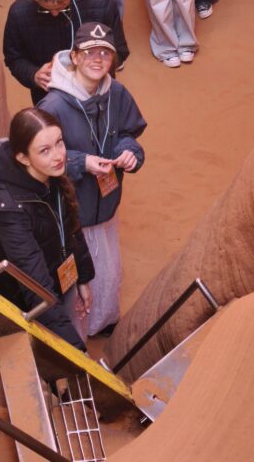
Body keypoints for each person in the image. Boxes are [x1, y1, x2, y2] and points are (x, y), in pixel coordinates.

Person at [40, 22, 145, 337]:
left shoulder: (116, 93)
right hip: (73, 211)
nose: (98, 59)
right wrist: (82, 162)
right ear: (74, 56)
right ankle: (78, 335)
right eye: (89, 52)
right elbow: (39, 156)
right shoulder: (53, 105)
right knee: (78, 275)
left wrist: (129, 152)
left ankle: (104, 320)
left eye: (105, 53)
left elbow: (128, 132)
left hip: (105, 205)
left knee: (107, 269)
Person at [0, 108, 94, 350]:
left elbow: (72, 229)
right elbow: (37, 289)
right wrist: (77, 351)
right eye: (45, 150)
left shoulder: (50, 176)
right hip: (31, 304)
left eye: (59, 142)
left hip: (60, 282)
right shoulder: (11, 211)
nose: (59, 156)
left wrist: (83, 278)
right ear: (23, 158)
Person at [3, 0, 129, 103]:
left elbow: (119, 49)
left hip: (96, 95)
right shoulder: (19, 13)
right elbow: (14, 58)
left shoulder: (101, 1)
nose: (55, 13)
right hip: (51, 100)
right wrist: (33, 74)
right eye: (46, 9)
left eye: (62, 6)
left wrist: (96, 68)